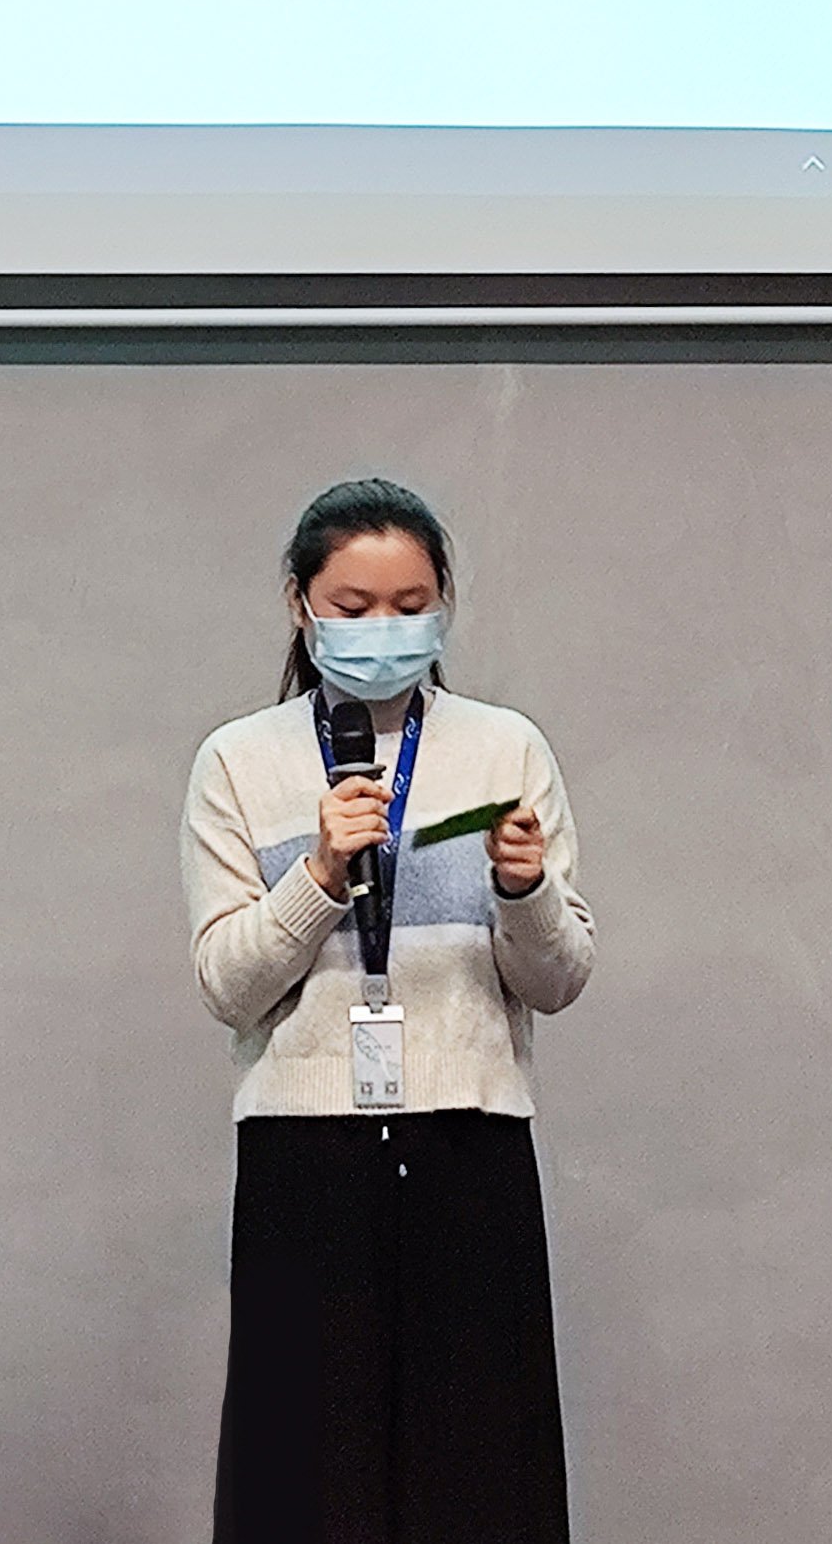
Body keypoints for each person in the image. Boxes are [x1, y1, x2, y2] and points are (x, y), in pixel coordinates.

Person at [181, 477, 594, 1544]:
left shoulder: (505, 750)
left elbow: (558, 978)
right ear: (299, 605)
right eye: (353, 607)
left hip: (469, 1146)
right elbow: (228, 985)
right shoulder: (238, 761)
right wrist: (320, 873)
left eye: (410, 605)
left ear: (444, 603)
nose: (384, 630)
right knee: (301, 1481)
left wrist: (523, 891)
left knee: (482, 1472)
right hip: (304, 1157)